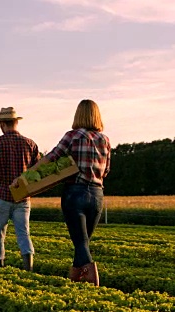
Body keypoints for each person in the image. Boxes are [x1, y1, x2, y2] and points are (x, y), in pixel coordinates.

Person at [24, 99, 110, 285]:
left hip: (75, 194)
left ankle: (93, 280)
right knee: (82, 242)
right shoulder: (104, 139)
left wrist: (28, 175)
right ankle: (74, 279)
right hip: (97, 195)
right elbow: (107, 170)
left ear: (78, 115)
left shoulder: (72, 136)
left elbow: (52, 156)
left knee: (80, 243)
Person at [0, 107, 40, 271]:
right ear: (16, 122)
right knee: (24, 233)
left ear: (2, 125)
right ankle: (29, 267)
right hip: (23, 198)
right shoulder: (30, 143)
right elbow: (38, 170)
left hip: (2, 196)